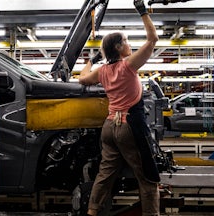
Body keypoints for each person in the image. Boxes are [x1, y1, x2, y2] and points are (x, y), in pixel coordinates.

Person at [78, 0, 160, 215]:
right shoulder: (128, 65)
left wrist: (92, 59)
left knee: (104, 175)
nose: (129, 43)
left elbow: (82, 79)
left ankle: (92, 211)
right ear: (118, 47)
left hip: (109, 127)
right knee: (147, 176)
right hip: (129, 126)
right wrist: (142, 12)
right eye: (126, 41)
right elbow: (153, 39)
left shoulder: (102, 72)